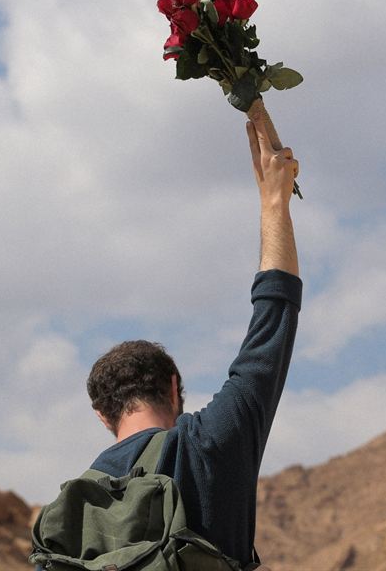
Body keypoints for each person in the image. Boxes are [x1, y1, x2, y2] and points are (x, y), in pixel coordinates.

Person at [83, 115, 302, 569]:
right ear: (173, 387)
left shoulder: (77, 508)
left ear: (102, 415)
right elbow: (273, 318)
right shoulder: (210, 442)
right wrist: (273, 202)